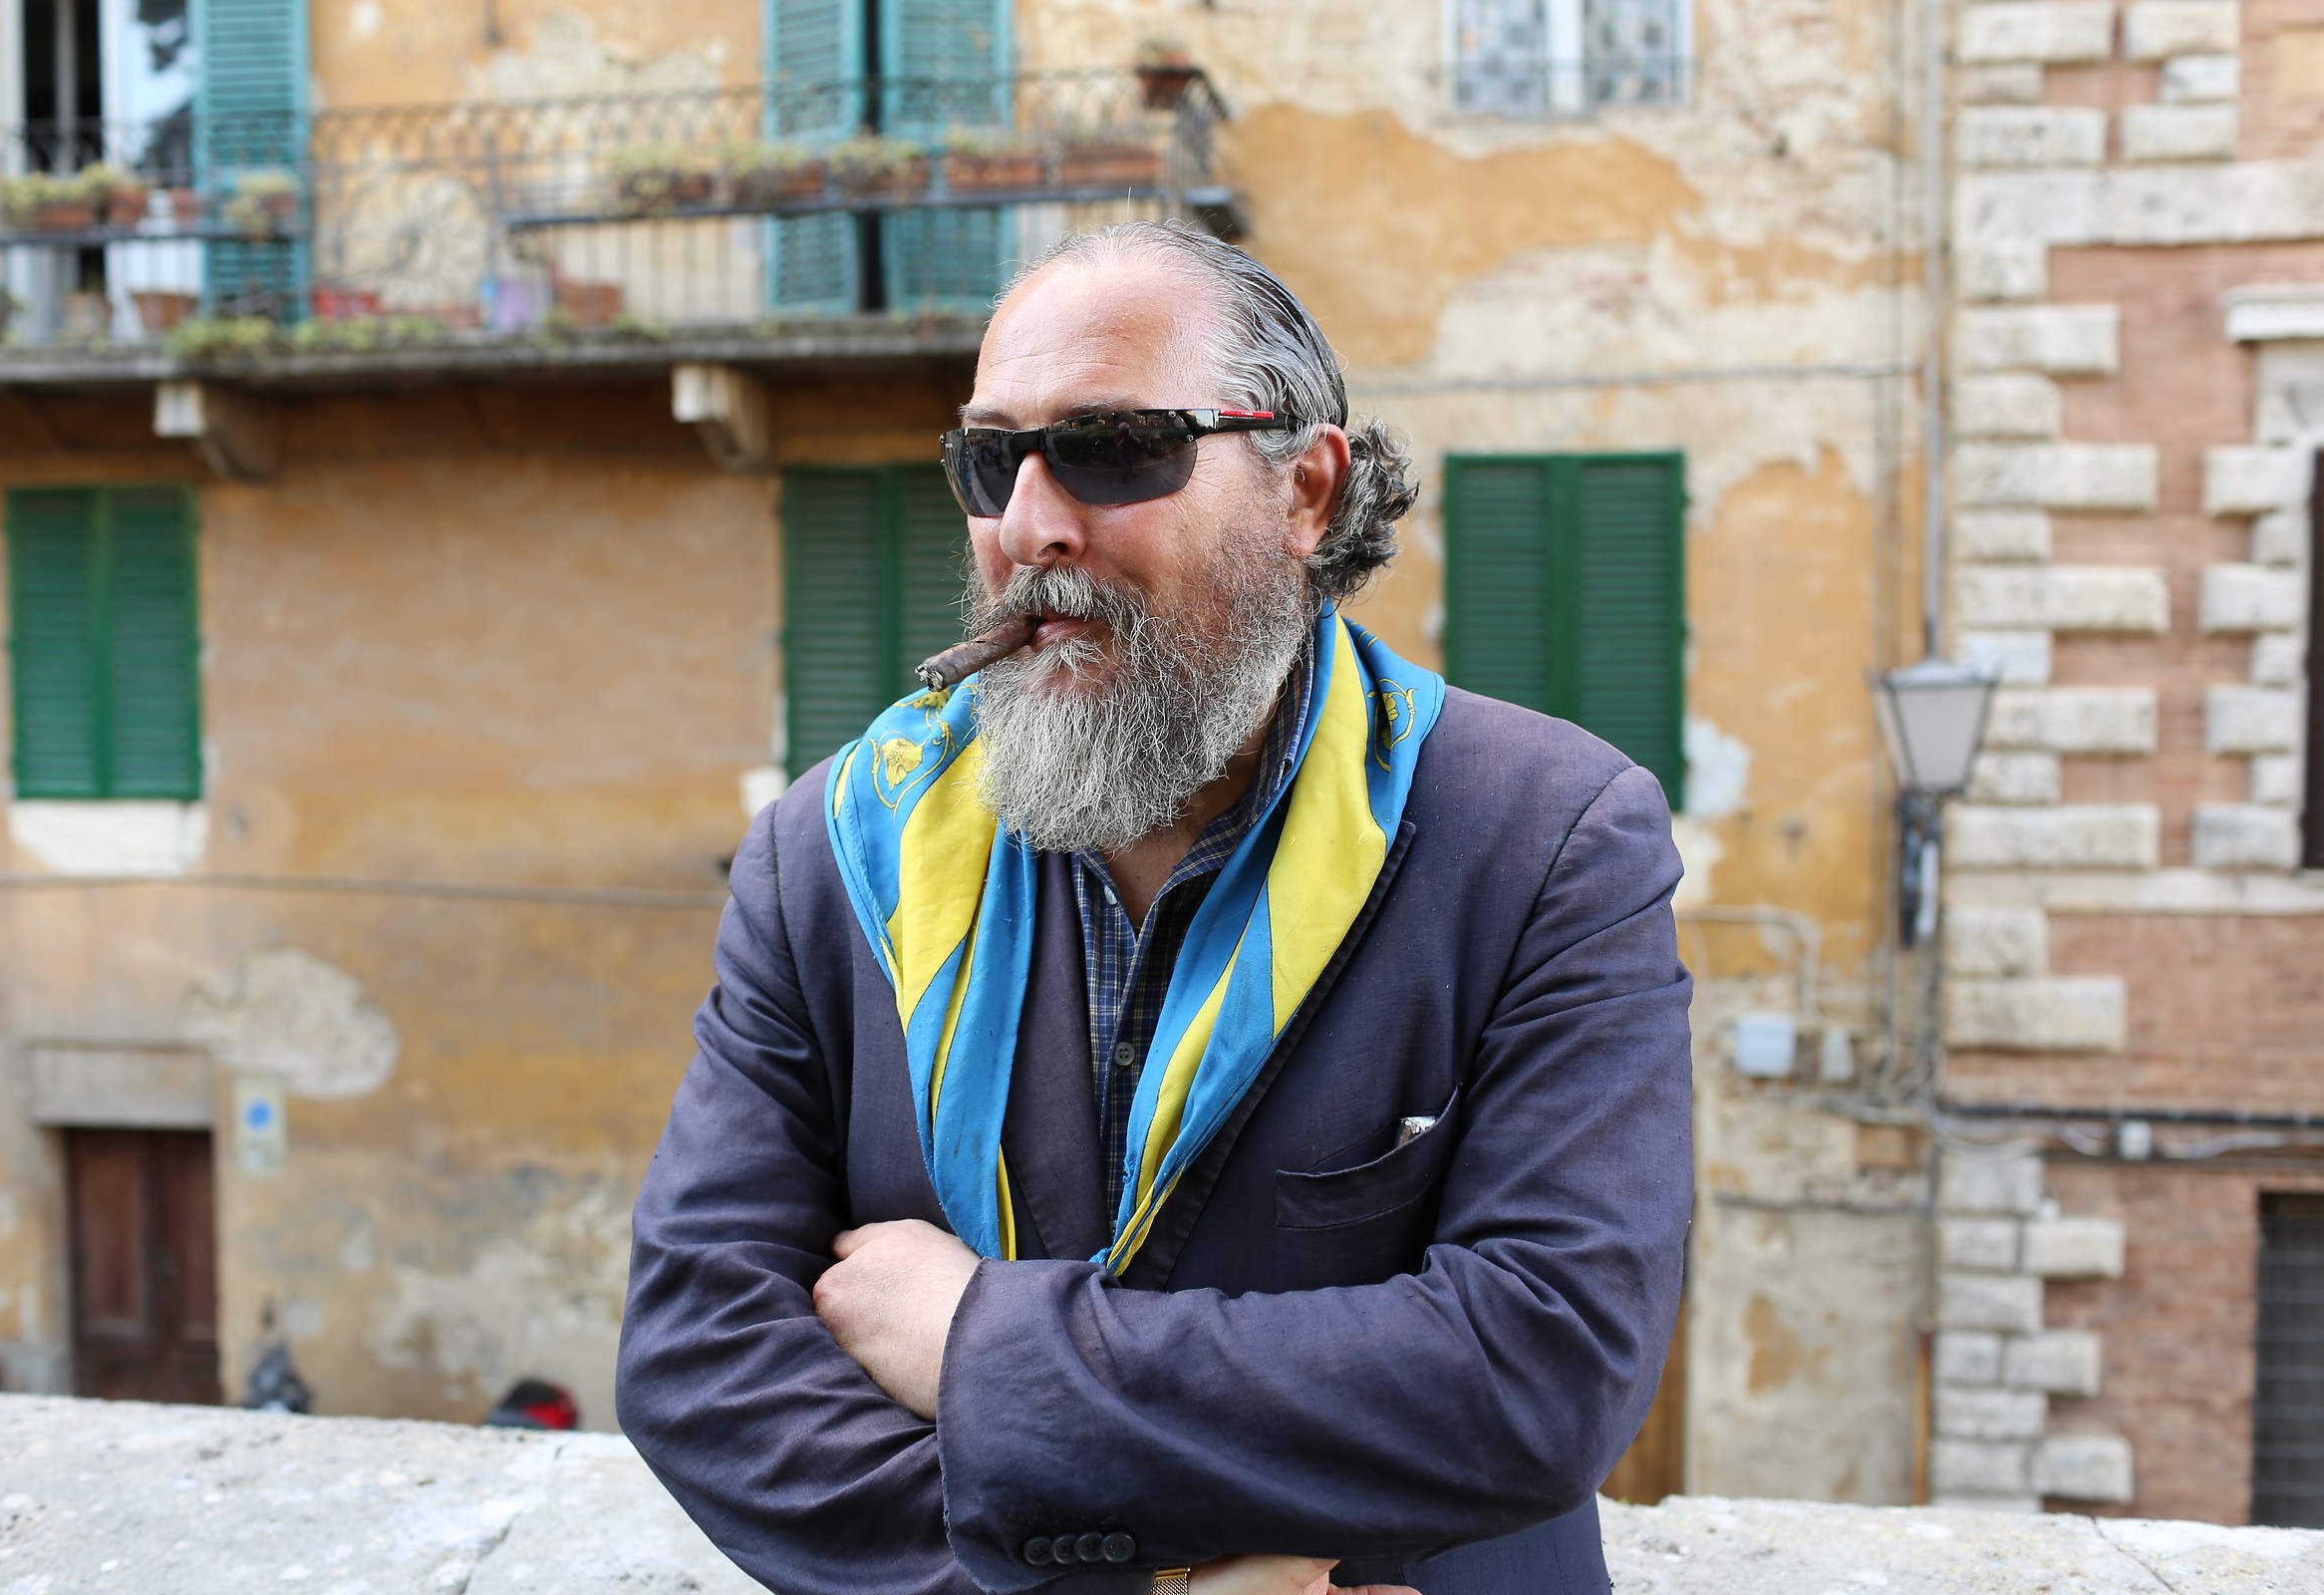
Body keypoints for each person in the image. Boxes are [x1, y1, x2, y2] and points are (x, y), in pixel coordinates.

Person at [617, 220, 1692, 1595]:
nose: (1031, 524)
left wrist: (979, 1345)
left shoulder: (1548, 837)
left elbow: (1544, 1366)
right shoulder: (828, 852)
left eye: (1117, 449)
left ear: (1306, 493)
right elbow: (703, 1358)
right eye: (991, 459)